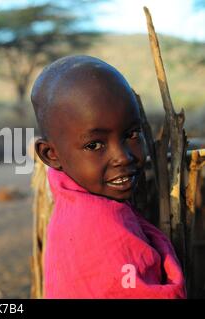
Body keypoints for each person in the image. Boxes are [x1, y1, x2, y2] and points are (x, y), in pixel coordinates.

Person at [31, 55, 186, 299]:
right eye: (94, 145)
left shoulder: (75, 203)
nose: (123, 157)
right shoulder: (100, 230)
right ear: (51, 154)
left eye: (132, 134)